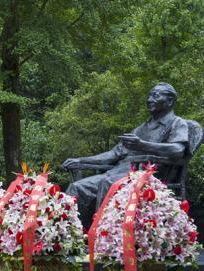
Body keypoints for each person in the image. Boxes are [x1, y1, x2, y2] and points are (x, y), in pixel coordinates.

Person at [63, 82, 189, 225]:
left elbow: (178, 150)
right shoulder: (141, 129)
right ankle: (72, 237)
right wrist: (80, 160)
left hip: (148, 177)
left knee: (107, 183)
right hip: (117, 174)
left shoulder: (177, 124)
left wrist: (142, 145)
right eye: (149, 96)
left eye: (155, 95)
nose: (149, 100)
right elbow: (113, 154)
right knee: (78, 187)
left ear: (170, 101)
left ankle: (101, 235)